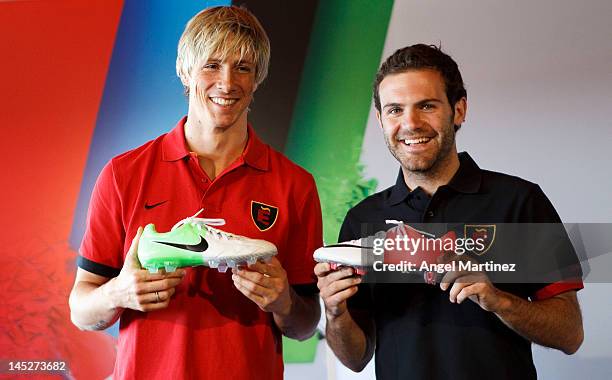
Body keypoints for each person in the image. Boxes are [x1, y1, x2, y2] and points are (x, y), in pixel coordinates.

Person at [68, 6, 322, 380]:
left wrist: (284, 303)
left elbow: (304, 325)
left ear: (257, 79)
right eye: (211, 65)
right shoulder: (124, 174)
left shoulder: (295, 185)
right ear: (184, 71)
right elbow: (81, 310)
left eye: (243, 68)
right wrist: (118, 293)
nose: (227, 82)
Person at [315, 44, 584, 379]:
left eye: (426, 106)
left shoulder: (519, 201)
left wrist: (497, 299)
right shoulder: (363, 219)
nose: (410, 123)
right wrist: (336, 312)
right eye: (395, 110)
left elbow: (571, 333)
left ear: (458, 110)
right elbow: (356, 358)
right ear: (381, 119)